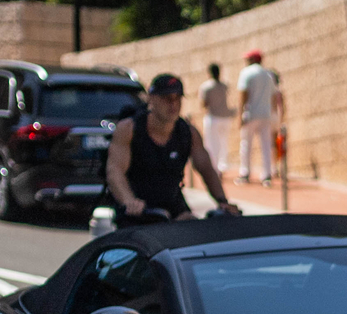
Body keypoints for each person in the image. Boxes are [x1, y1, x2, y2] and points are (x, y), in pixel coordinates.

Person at [105, 72, 238, 222]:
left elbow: (206, 169)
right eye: (166, 99)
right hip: (139, 210)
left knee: (195, 226)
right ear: (151, 98)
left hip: (173, 208)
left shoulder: (188, 132)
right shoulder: (130, 128)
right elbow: (115, 171)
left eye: (177, 99)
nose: (173, 104)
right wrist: (128, 201)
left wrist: (222, 202)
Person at [236, 49, 277, 182]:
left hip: (251, 114)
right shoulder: (268, 75)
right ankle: (267, 174)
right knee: (266, 145)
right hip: (265, 114)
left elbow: (243, 94)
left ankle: (245, 173)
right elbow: (273, 96)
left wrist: (240, 115)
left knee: (246, 144)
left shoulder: (246, 73)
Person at [200, 61, 234, 176]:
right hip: (225, 118)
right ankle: (221, 165)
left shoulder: (206, 87)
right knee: (223, 143)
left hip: (213, 118)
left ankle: (215, 167)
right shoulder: (224, 85)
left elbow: (204, 104)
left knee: (211, 143)